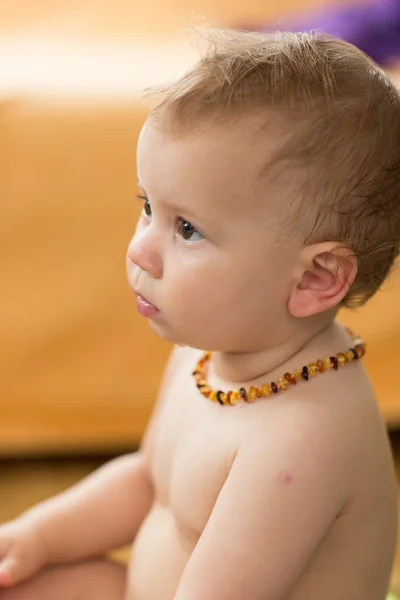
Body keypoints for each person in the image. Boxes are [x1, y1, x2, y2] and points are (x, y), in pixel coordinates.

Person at [0, 29, 399, 600]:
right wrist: (36, 536)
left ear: (316, 278)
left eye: (186, 229)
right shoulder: (207, 349)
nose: (139, 249)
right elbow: (148, 482)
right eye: (146, 208)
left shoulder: (304, 438)